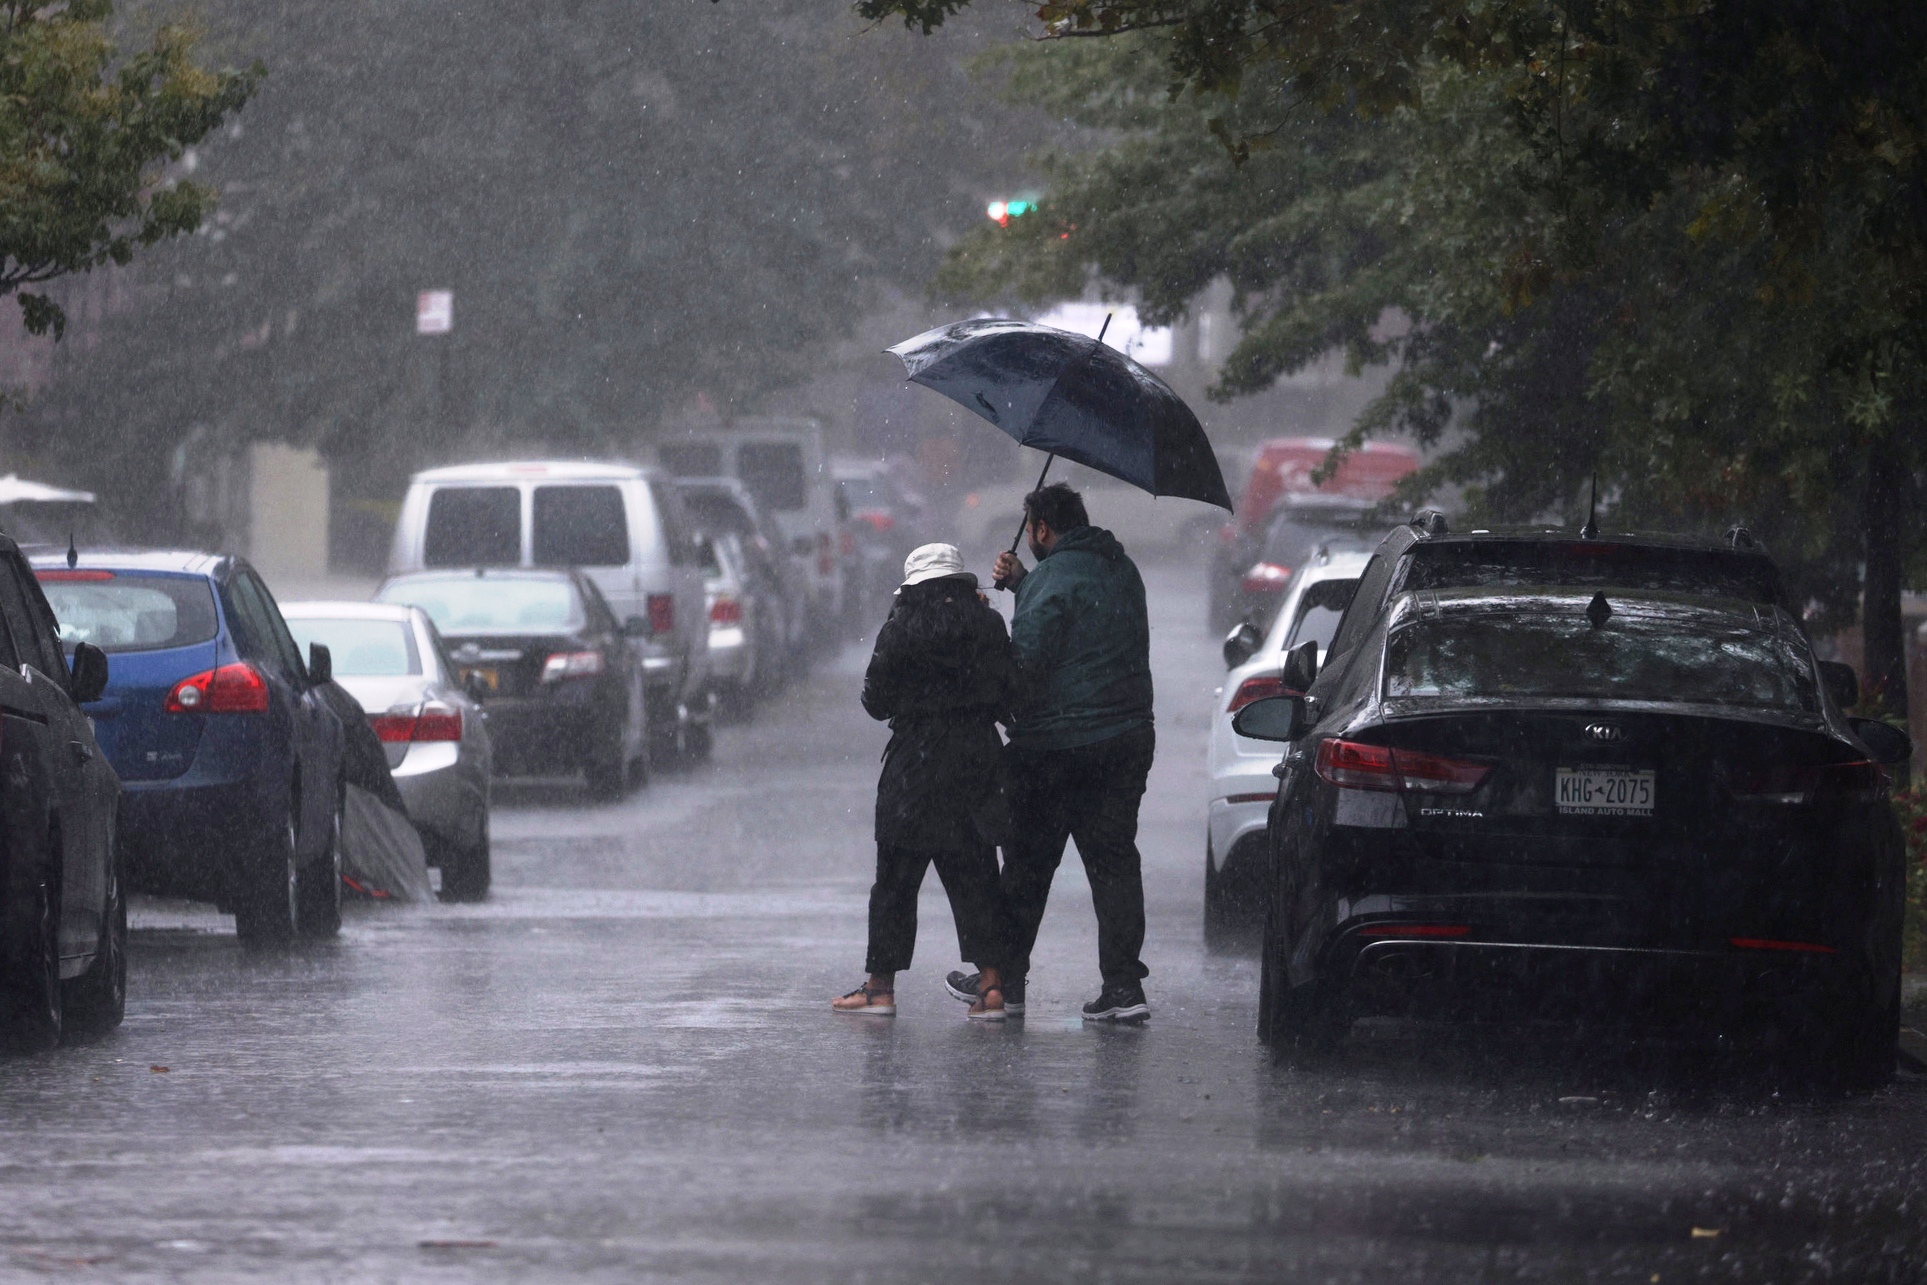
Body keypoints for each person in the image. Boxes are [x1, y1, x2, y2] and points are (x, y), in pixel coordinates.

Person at [947, 482, 1155, 1022]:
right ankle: (1124, 988)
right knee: (1114, 866)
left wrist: (988, 632)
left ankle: (1007, 982)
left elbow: (1028, 668)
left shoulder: (1053, 579)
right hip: (1126, 741)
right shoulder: (1121, 569)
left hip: (1056, 751)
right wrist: (1026, 584)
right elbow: (1084, 624)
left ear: (1039, 528)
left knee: (1027, 867)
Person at [832, 543, 1016, 1021]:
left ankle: (880, 990)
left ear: (913, 587)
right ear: (961, 582)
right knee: (976, 875)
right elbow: (1008, 694)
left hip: (914, 767)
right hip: (976, 763)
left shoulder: (901, 628)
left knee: (895, 881)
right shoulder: (989, 625)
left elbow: (875, 701)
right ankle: (993, 988)